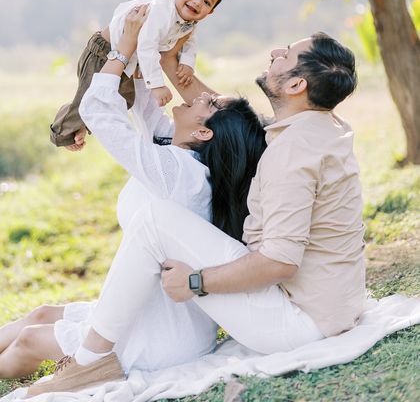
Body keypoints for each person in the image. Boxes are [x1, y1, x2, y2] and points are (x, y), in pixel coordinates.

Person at [23, 28, 367, 397]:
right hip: (333, 307)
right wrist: (160, 62)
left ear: (297, 84)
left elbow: (280, 263)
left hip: (298, 322)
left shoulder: (290, 155)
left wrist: (196, 282)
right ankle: (93, 352)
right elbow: (222, 116)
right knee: (158, 219)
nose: (274, 52)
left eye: (286, 55)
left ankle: (90, 362)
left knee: (156, 220)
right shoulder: (319, 126)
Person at [0, 6, 266, 381]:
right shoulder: (179, 158)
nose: (195, 96)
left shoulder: (178, 174)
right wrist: (148, 49)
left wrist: (121, 52)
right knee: (40, 314)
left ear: (204, 132)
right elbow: (142, 105)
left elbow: (100, 114)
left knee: (29, 341)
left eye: (209, 104)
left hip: (159, 338)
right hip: (146, 309)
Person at [49, 0, 225, 150]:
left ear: (210, 12)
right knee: (90, 97)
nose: (198, 1)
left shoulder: (189, 23)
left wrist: (188, 64)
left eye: (207, 2)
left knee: (123, 100)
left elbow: (190, 43)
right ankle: (62, 134)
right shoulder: (161, 11)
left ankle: (82, 124)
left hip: (127, 60)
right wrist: (157, 85)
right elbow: (146, 46)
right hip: (104, 52)